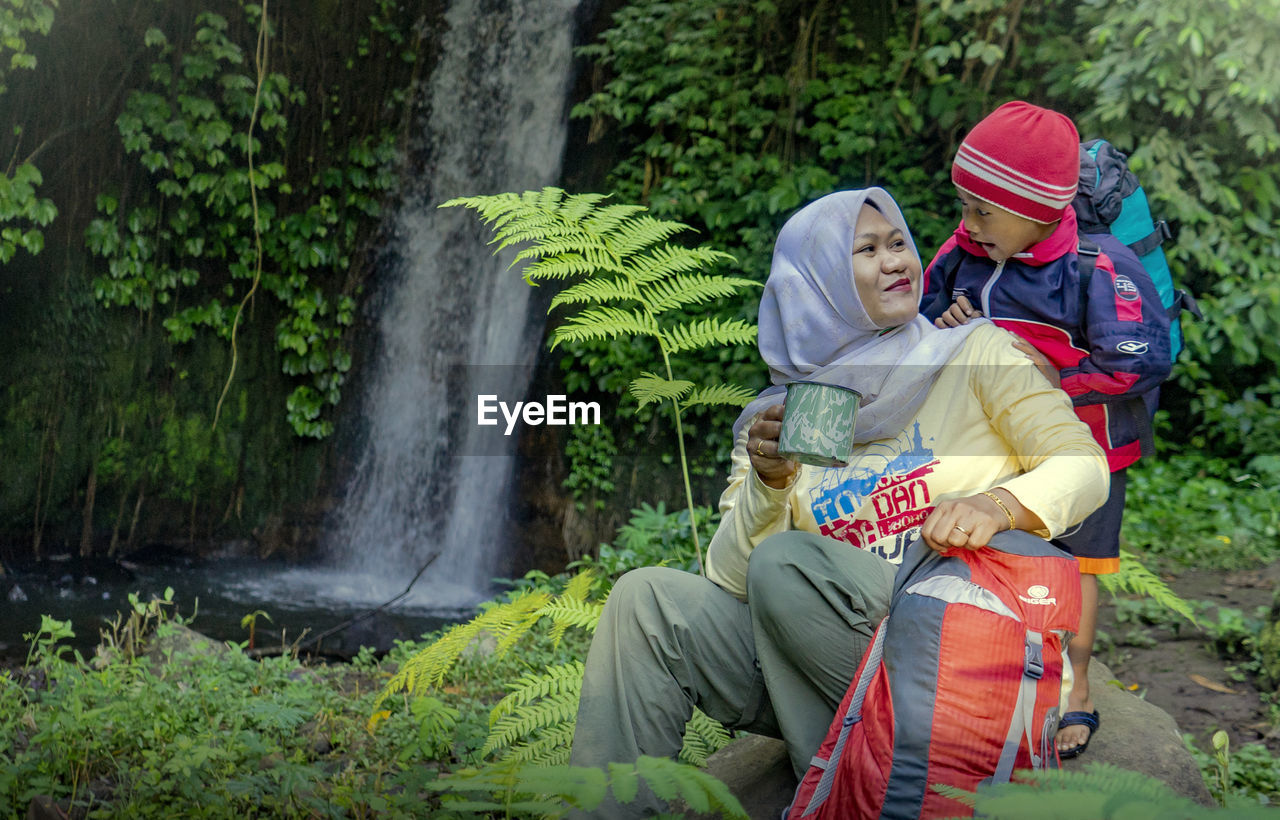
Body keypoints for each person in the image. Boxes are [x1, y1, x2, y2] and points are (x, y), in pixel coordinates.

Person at [568, 187, 1110, 817]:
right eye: (867, 249)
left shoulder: (975, 355)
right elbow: (729, 581)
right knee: (647, 601)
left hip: (954, 654)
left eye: (899, 243)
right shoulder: (780, 418)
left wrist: (998, 505)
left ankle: (840, 794)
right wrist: (770, 485)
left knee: (790, 564)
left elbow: (1084, 465)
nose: (897, 262)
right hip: (829, 663)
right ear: (816, 285)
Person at [921, 100, 1172, 759]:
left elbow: (1143, 357)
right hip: (993, 452)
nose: (968, 223)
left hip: (1088, 451)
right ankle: (1003, 678)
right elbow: (918, 319)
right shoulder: (963, 251)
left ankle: (1076, 690)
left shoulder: (1097, 268)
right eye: (965, 205)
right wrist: (943, 324)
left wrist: (1057, 376)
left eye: (984, 211)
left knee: (1077, 568)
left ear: (1040, 211)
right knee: (1001, 556)